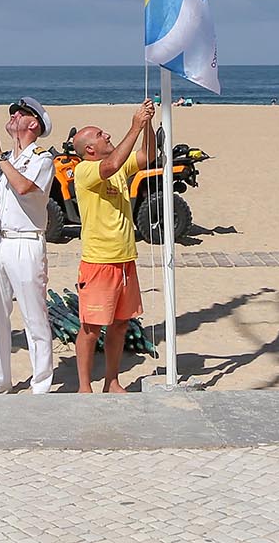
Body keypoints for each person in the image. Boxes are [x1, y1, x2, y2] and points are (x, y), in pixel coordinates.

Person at [70, 99, 156, 393]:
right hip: (98, 263)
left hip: (125, 261)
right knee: (91, 328)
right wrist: (134, 125)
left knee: (120, 324)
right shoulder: (86, 170)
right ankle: (84, 386)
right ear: (89, 149)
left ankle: (112, 381)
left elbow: (147, 156)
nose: (106, 135)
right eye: (100, 134)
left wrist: (147, 126)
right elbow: (113, 164)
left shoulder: (116, 166)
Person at [0, 97, 57, 394]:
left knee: (34, 316)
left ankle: (41, 383)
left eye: (19, 114)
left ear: (33, 124)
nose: (12, 117)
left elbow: (24, 188)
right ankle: (0, 379)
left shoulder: (41, 159)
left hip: (27, 242)